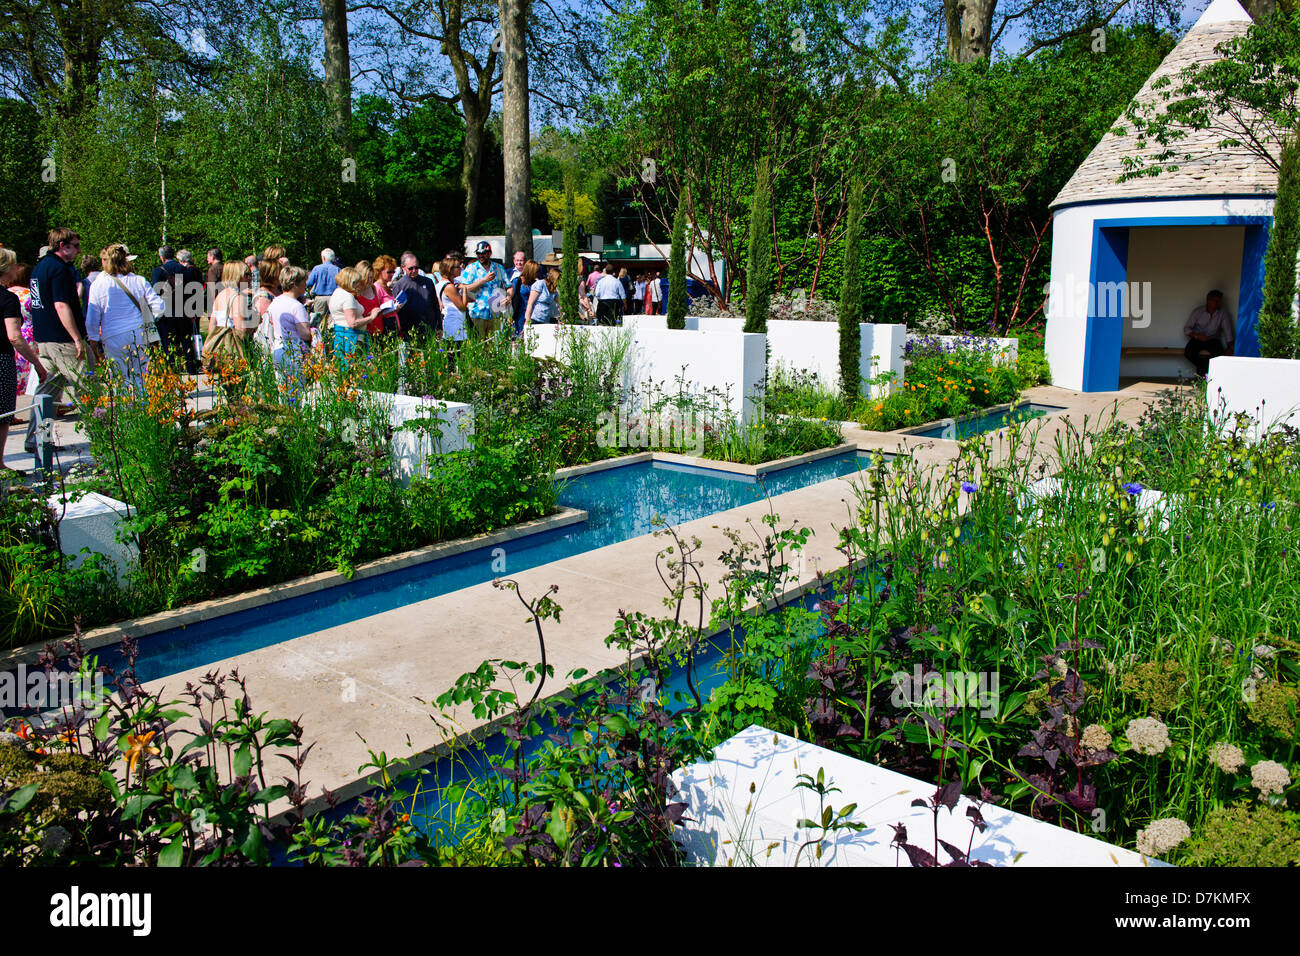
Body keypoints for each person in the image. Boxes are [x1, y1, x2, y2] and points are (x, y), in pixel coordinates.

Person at [24, 228, 90, 453]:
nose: (79, 251)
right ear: (63, 246)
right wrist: (76, 338)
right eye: (76, 245)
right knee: (88, 386)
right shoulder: (60, 269)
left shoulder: (39, 269)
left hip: (44, 337)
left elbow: (37, 304)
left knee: (48, 393)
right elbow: (61, 305)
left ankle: (37, 439)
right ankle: (104, 436)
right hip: (62, 339)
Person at [86, 244, 166, 390]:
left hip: (112, 335)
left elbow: (92, 317)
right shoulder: (139, 281)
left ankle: (125, 410)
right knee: (141, 376)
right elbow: (159, 306)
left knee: (119, 378)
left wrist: (93, 340)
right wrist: (148, 319)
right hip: (138, 332)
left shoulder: (98, 284)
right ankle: (142, 408)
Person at [0, 248, 47, 475]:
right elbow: (14, 336)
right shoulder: (7, 298)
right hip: (1, 359)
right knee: (3, 414)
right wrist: (37, 364)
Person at [152, 244, 199, 373]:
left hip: (166, 311)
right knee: (186, 340)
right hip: (183, 308)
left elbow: (155, 292)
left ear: (162, 257)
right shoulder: (184, 269)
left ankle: (171, 368)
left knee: (168, 342)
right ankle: (191, 367)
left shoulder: (158, 271)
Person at [204, 259, 253, 370]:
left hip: (220, 350)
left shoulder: (220, 295)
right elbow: (241, 331)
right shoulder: (237, 298)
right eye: (246, 274)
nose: (250, 278)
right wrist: (256, 321)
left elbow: (212, 326)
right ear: (236, 276)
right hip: (233, 352)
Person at [268, 265, 312, 374]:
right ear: (295, 285)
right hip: (293, 351)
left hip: (278, 347)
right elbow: (304, 334)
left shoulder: (275, 301)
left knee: (282, 387)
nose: (305, 285)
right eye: (303, 282)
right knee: (297, 387)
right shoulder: (297, 306)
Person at [459, 240, 509, 337]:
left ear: (490, 253)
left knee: (493, 347)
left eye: (484, 253)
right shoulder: (471, 268)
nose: (481, 256)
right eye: (478, 253)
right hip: (477, 314)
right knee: (478, 346)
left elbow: (509, 286)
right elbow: (463, 288)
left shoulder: (498, 268)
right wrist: (483, 281)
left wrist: (509, 297)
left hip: (495, 314)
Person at [1183, 290, 1234, 376]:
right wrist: (1197, 336)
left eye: (1220, 301)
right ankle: (1204, 371)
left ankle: (1202, 373)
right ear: (1209, 301)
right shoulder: (1198, 311)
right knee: (1189, 353)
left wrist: (1230, 347)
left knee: (1218, 355)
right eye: (1216, 301)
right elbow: (1186, 329)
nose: (1219, 303)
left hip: (1213, 340)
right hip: (1197, 339)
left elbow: (1228, 331)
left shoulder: (1223, 314)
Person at [328, 266, 374, 361]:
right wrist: (372, 317)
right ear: (349, 282)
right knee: (354, 366)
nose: (358, 285)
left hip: (340, 336)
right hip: (351, 338)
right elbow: (352, 323)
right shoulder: (348, 297)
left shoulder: (336, 293)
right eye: (355, 282)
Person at [393, 252, 440, 337]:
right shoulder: (399, 285)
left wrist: (439, 326)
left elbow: (435, 305)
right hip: (409, 331)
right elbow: (396, 310)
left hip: (429, 329)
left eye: (416, 268)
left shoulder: (428, 282)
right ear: (403, 267)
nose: (414, 271)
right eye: (410, 268)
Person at [7, 263, 33, 399]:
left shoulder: (7, 293)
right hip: (29, 334)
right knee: (30, 368)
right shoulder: (29, 295)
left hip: (9, 332)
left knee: (14, 370)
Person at [435, 256, 470, 355]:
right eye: (458, 267)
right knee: (456, 354)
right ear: (450, 270)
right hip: (455, 324)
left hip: (448, 323)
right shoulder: (450, 287)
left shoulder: (439, 284)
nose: (461, 269)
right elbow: (462, 307)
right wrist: (464, 291)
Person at [353, 260, 391, 335]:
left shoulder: (373, 288)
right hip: (365, 333)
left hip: (379, 330)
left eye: (371, 278)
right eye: (367, 278)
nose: (370, 281)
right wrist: (369, 315)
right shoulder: (355, 293)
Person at [524, 261, 560, 329]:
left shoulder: (553, 290)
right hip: (535, 318)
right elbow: (530, 303)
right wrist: (527, 320)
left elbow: (560, 303)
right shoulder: (540, 284)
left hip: (545, 319)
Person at [306, 247, 340, 316]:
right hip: (333, 298)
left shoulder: (317, 268)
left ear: (323, 258)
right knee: (332, 321)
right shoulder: (338, 269)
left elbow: (308, 283)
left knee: (319, 321)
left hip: (319, 299)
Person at [372, 255, 400, 333]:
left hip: (394, 325)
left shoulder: (387, 286)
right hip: (386, 327)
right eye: (389, 272)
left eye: (393, 271)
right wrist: (394, 309)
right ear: (379, 271)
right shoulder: (377, 287)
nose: (392, 274)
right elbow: (376, 312)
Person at [507, 249, 528, 336]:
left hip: (524, 307)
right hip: (511, 306)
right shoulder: (508, 272)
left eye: (521, 260)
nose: (519, 263)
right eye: (517, 260)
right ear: (513, 261)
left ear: (525, 261)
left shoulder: (528, 273)